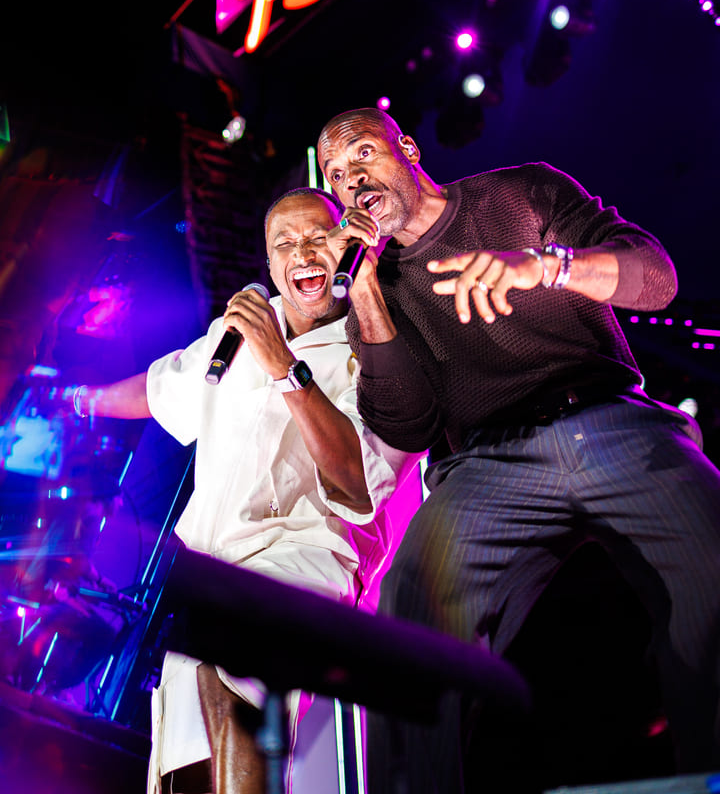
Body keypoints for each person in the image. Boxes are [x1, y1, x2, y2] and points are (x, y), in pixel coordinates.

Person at [316, 107, 720, 792]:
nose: (350, 178)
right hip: (484, 462)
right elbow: (409, 427)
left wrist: (544, 267)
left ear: (407, 149)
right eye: (334, 173)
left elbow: (657, 279)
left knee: (711, 567)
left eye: (361, 154)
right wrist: (368, 301)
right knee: (411, 617)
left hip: (610, 418)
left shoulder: (519, 192)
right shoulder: (374, 284)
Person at [68, 186, 424, 794]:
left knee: (233, 655)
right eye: (284, 243)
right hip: (211, 571)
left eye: (317, 237)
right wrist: (73, 400)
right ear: (269, 265)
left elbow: (358, 483)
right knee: (186, 763)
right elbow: (159, 388)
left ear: (346, 244)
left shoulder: (374, 347)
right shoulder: (238, 335)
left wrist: (284, 366)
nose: (302, 252)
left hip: (305, 558)